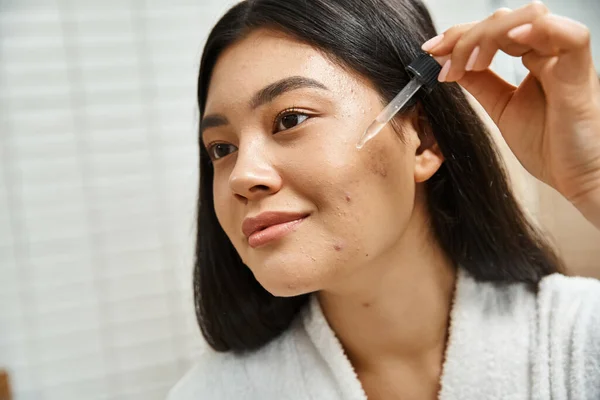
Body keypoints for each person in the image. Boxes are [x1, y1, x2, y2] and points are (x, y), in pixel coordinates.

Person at [169, 0, 600, 398]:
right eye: (221, 149)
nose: (242, 175)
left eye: (290, 119)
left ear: (423, 140)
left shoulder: (578, 339)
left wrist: (592, 182)